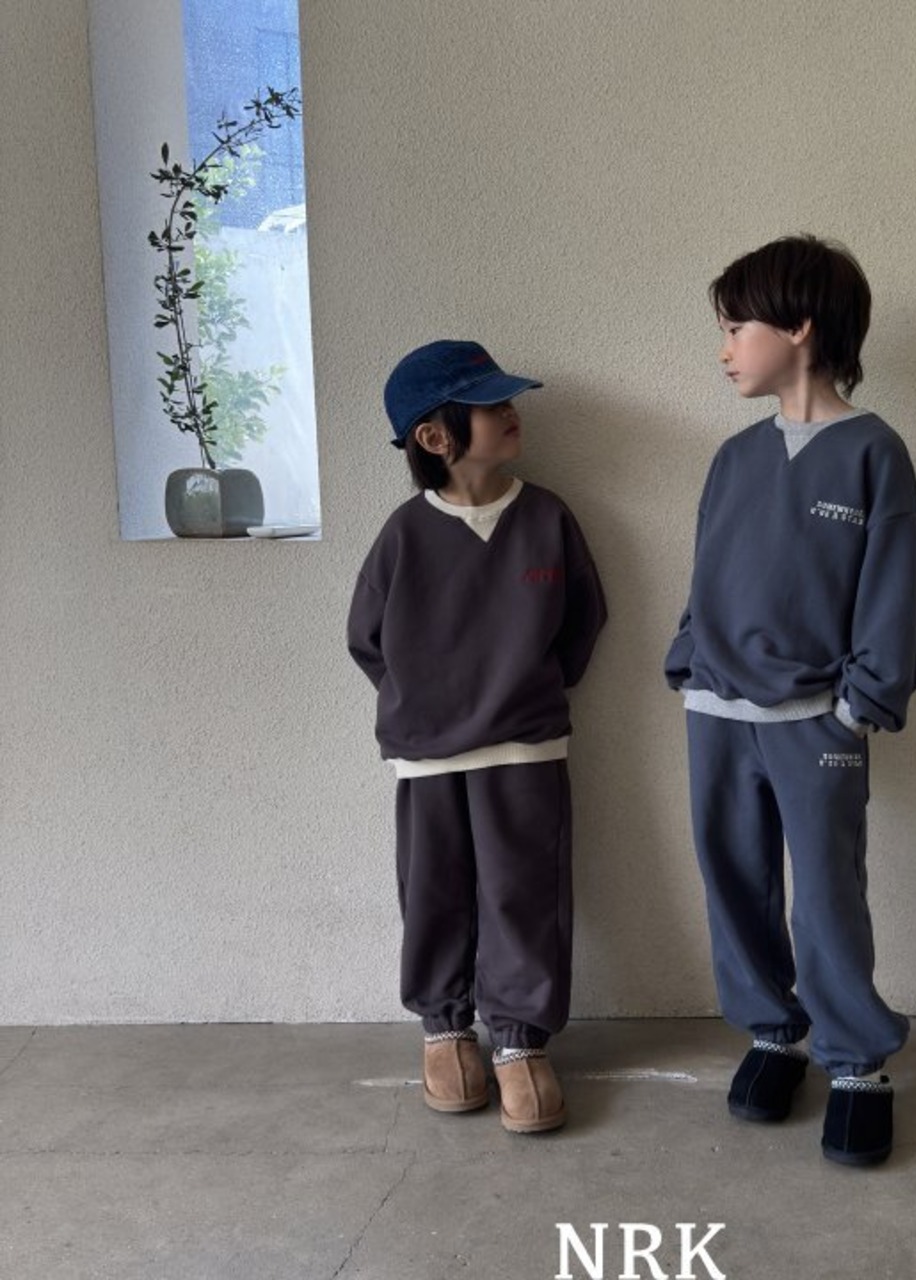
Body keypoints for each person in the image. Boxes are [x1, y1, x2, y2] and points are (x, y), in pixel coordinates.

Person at [664, 235, 916, 1166]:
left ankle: (855, 1062)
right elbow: (708, 574)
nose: (725, 348)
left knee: (825, 897)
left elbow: (895, 591)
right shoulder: (733, 458)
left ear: (800, 329)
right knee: (734, 881)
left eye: (737, 327)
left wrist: (859, 706)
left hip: (818, 722)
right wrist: (688, 665)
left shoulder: (874, 454)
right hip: (717, 715)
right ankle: (773, 1033)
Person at [348, 340, 606, 1134]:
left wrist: (525, 693)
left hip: (526, 748)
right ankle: (445, 1030)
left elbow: (583, 622)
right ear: (436, 436)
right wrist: (423, 706)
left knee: (523, 893)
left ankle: (520, 1041)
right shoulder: (404, 535)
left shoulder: (547, 518)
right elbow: (366, 639)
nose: (512, 414)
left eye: (508, 401)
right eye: (492, 406)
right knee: (434, 892)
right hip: (426, 756)